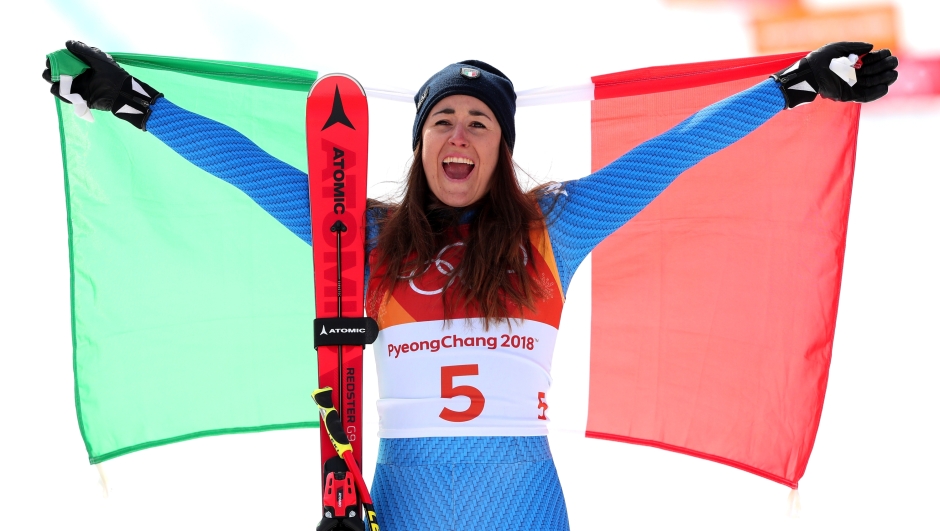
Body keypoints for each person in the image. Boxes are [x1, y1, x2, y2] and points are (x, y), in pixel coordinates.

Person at [44, 40, 897, 531]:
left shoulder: (554, 227)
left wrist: (790, 89)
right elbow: (247, 167)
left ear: (500, 146)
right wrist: (136, 104)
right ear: (420, 147)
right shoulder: (366, 240)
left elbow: (674, 152)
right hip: (403, 498)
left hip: (524, 500)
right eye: (442, 121)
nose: (459, 134)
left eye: (479, 121)